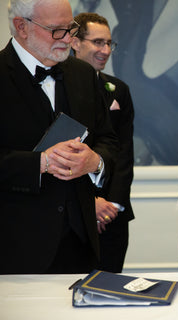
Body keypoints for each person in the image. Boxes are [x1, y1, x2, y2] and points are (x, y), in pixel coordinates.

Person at [0, 0, 118, 274]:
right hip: (13, 246)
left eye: (71, 27)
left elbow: (109, 142)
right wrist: (40, 163)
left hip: (80, 245)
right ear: (22, 27)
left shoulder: (84, 75)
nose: (68, 38)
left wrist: (95, 162)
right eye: (56, 30)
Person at [72, 12, 135, 273]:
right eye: (98, 42)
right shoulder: (60, 86)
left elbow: (123, 152)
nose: (105, 50)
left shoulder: (118, 89)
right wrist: (90, 202)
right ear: (75, 42)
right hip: (73, 213)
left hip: (113, 215)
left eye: (110, 43)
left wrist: (112, 206)